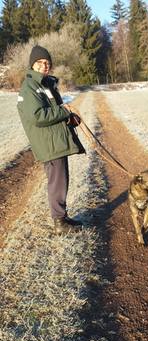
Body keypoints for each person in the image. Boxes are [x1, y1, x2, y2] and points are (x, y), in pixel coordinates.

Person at [17, 45, 85, 234]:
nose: (44, 65)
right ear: (33, 65)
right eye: (40, 62)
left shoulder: (45, 84)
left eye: (47, 63)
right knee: (57, 182)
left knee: (61, 180)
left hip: (56, 141)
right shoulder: (30, 87)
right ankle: (59, 223)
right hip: (49, 144)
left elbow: (54, 111)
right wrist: (63, 111)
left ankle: (62, 217)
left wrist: (68, 118)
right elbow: (37, 116)